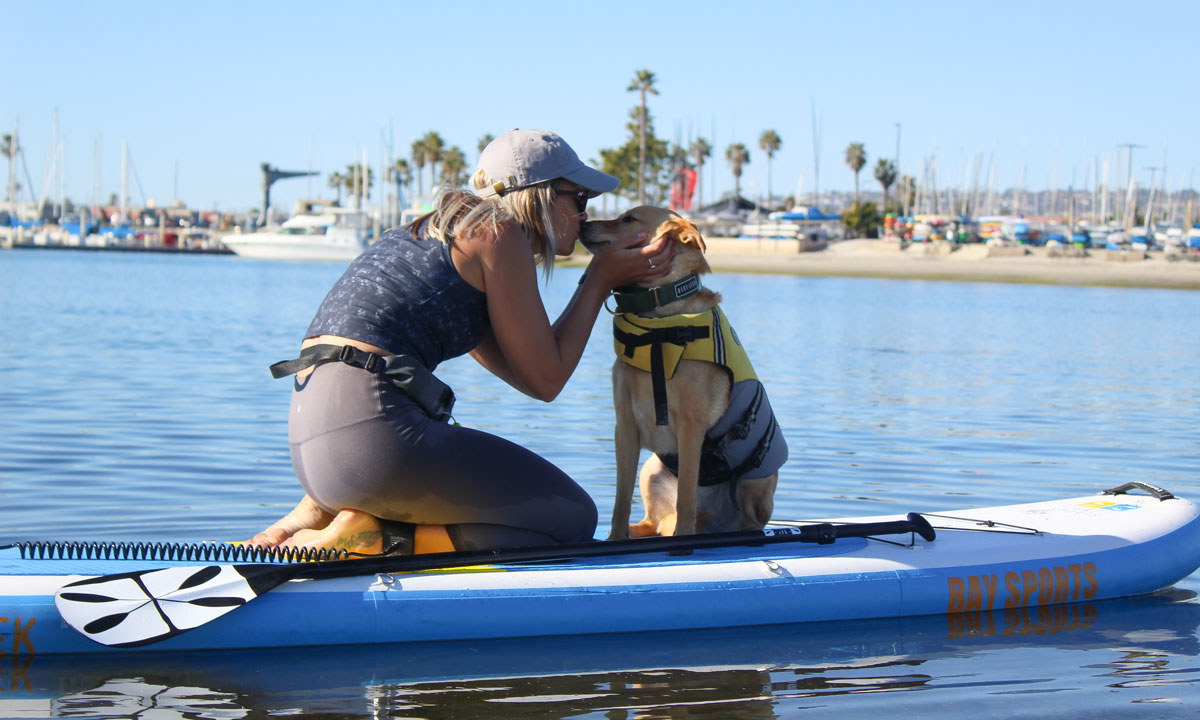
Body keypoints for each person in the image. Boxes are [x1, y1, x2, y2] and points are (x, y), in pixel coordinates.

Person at [248, 129, 675, 555]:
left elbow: (536, 377)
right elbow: (549, 380)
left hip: (316, 449)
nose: (584, 215)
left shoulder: (431, 236)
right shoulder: (500, 233)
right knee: (574, 519)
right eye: (578, 200)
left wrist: (597, 279)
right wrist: (599, 280)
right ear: (540, 196)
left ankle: (314, 521)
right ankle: (380, 539)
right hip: (370, 440)